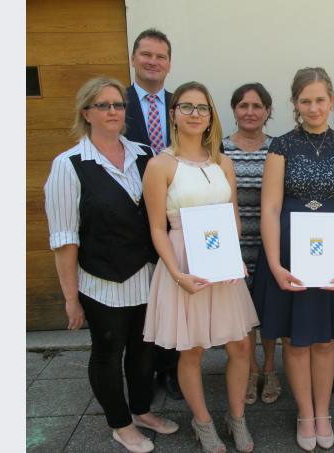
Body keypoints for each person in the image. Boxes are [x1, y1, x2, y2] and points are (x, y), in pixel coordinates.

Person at [44, 77, 179, 453]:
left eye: (118, 105)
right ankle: (120, 423)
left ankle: (140, 409)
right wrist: (71, 299)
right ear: (86, 113)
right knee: (108, 352)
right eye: (103, 105)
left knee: (143, 350)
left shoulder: (144, 155)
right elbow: (64, 239)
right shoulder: (68, 166)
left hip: (148, 276)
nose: (113, 112)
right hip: (102, 282)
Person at [252, 67, 334, 451]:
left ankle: (323, 411)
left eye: (320, 99)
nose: (314, 107)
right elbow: (269, 209)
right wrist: (274, 264)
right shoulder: (281, 146)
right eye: (306, 100)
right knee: (297, 341)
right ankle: (305, 413)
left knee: (326, 340)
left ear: (332, 101)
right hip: (290, 253)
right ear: (295, 104)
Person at [142, 81, 259, 453]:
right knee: (191, 349)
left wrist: (233, 251)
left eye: (202, 108)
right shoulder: (160, 165)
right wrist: (177, 274)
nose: (195, 114)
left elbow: (234, 213)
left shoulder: (222, 162)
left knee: (240, 346)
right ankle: (203, 422)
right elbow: (157, 227)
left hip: (222, 262)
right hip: (184, 264)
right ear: (173, 114)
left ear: (211, 117)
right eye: (187, 107)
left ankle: (236, 417)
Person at [124, 27, 182, 400]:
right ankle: (144, 374)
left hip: (176, 217)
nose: (153, 62)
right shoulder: (116, 102)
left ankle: (173, 369)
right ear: (133, 58)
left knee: (176, 295)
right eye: (146, 54)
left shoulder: (183, 105)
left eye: (160, 56)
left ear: (169, 63)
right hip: (132, 218)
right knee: (143, 302)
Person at [220, 83, 284, 407]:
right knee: (242, 313)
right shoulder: (218, 150)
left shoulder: (280, 148)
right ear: (234, 109)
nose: (250, 112)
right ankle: (251, 369)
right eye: (243, 105)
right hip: (233, 244)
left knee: (269, 308)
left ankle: (271, 367)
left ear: (268, 111)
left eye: (257, 106)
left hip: (270, 243)